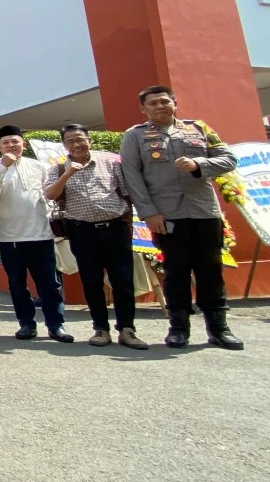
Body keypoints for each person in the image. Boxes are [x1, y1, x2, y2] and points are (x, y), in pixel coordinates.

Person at [120, 85, 243, 350]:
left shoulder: (199, 129)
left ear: (175, 102)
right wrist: (149, 213)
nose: (159, 107)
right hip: (167, 216)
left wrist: (201, 165)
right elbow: (133, 178)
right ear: (143, 109)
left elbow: (229, 158)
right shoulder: (135, 136)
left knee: (211, 271)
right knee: (176, 272)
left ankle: (219, 328)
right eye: (152, 104)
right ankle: (178, 328)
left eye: (164, 101)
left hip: (204, 212)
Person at [44, 125, 148, 349]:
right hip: (82, 232)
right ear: (64, 145)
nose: (76, 144)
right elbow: (50, 194)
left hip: (115, 229)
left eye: (80, 139)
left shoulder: (111, 164)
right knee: (91, 282)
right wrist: (68, 173)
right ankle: (100, 328)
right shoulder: (59, 168)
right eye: (70, 141)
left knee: (123, 281)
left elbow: (127, 193)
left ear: (89, 140)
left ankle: (127, 329)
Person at [0, 126, 74, 343]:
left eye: (15, 141)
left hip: (41, 234)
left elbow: (51, 194)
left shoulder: (39, 167)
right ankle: (26, 324)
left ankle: (56, 325)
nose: (11, 146)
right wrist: (4, 166)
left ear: (23, 143)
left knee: (50, 284)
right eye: (6, 143)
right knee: (17, 284)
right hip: (10, 236)